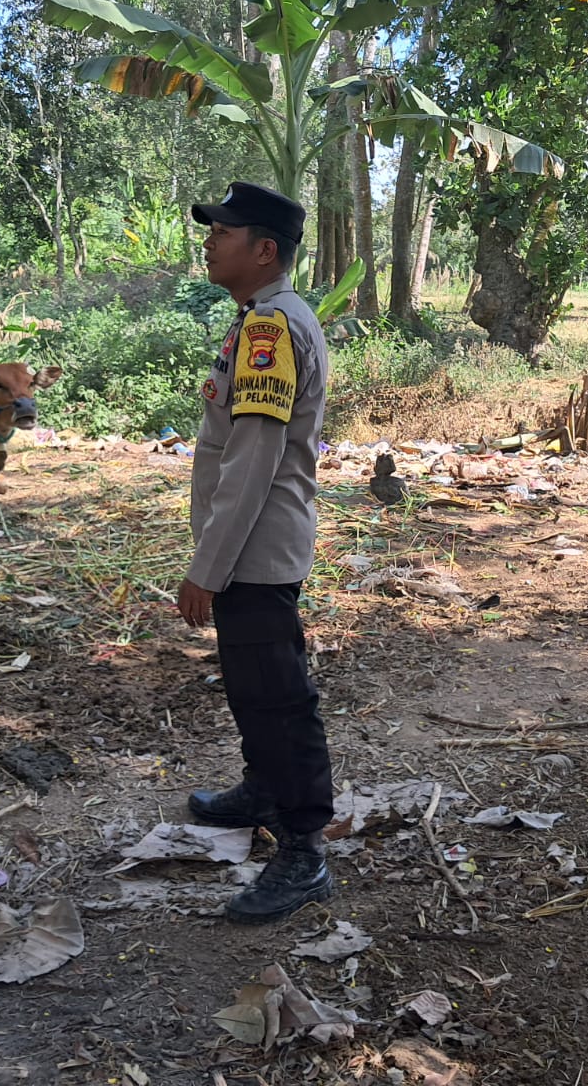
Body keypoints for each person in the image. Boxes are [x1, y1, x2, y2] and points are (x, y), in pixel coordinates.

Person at [179, 181, 334, 924]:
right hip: (249, 547)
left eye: (224, 231)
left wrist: (205, 568)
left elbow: (253, 461)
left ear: (263, 249)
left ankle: (303, 849)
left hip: (256, 552)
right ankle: (260, 790)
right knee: (252, 686)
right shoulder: (255, 321)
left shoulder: (272, 330)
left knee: (279, 699)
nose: (211, 241)